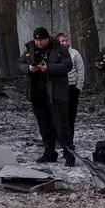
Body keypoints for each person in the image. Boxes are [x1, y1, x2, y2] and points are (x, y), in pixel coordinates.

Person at [19, 27, 75, 165]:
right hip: (37, 94)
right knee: (44, 126)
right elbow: (20, 64)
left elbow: (67, 65)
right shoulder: (30, 48)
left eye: (41, 40)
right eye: (36, 40)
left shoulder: (59, 48)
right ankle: (49, 152)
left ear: (47, 38)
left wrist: (48, 68)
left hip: (55, 94)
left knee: (61, 126)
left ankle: (69, 154)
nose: (39, 43)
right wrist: (29, 69)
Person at [56, 33, 86, 133]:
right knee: (59, 115)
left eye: (66, 40)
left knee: (71, 115)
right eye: (62, 41)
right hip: (59, 88)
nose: (65, 43)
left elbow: (80, 70)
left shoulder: (75, 54)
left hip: (72, 87)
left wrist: (78, 87)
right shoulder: (55, 54)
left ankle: (70, 140)